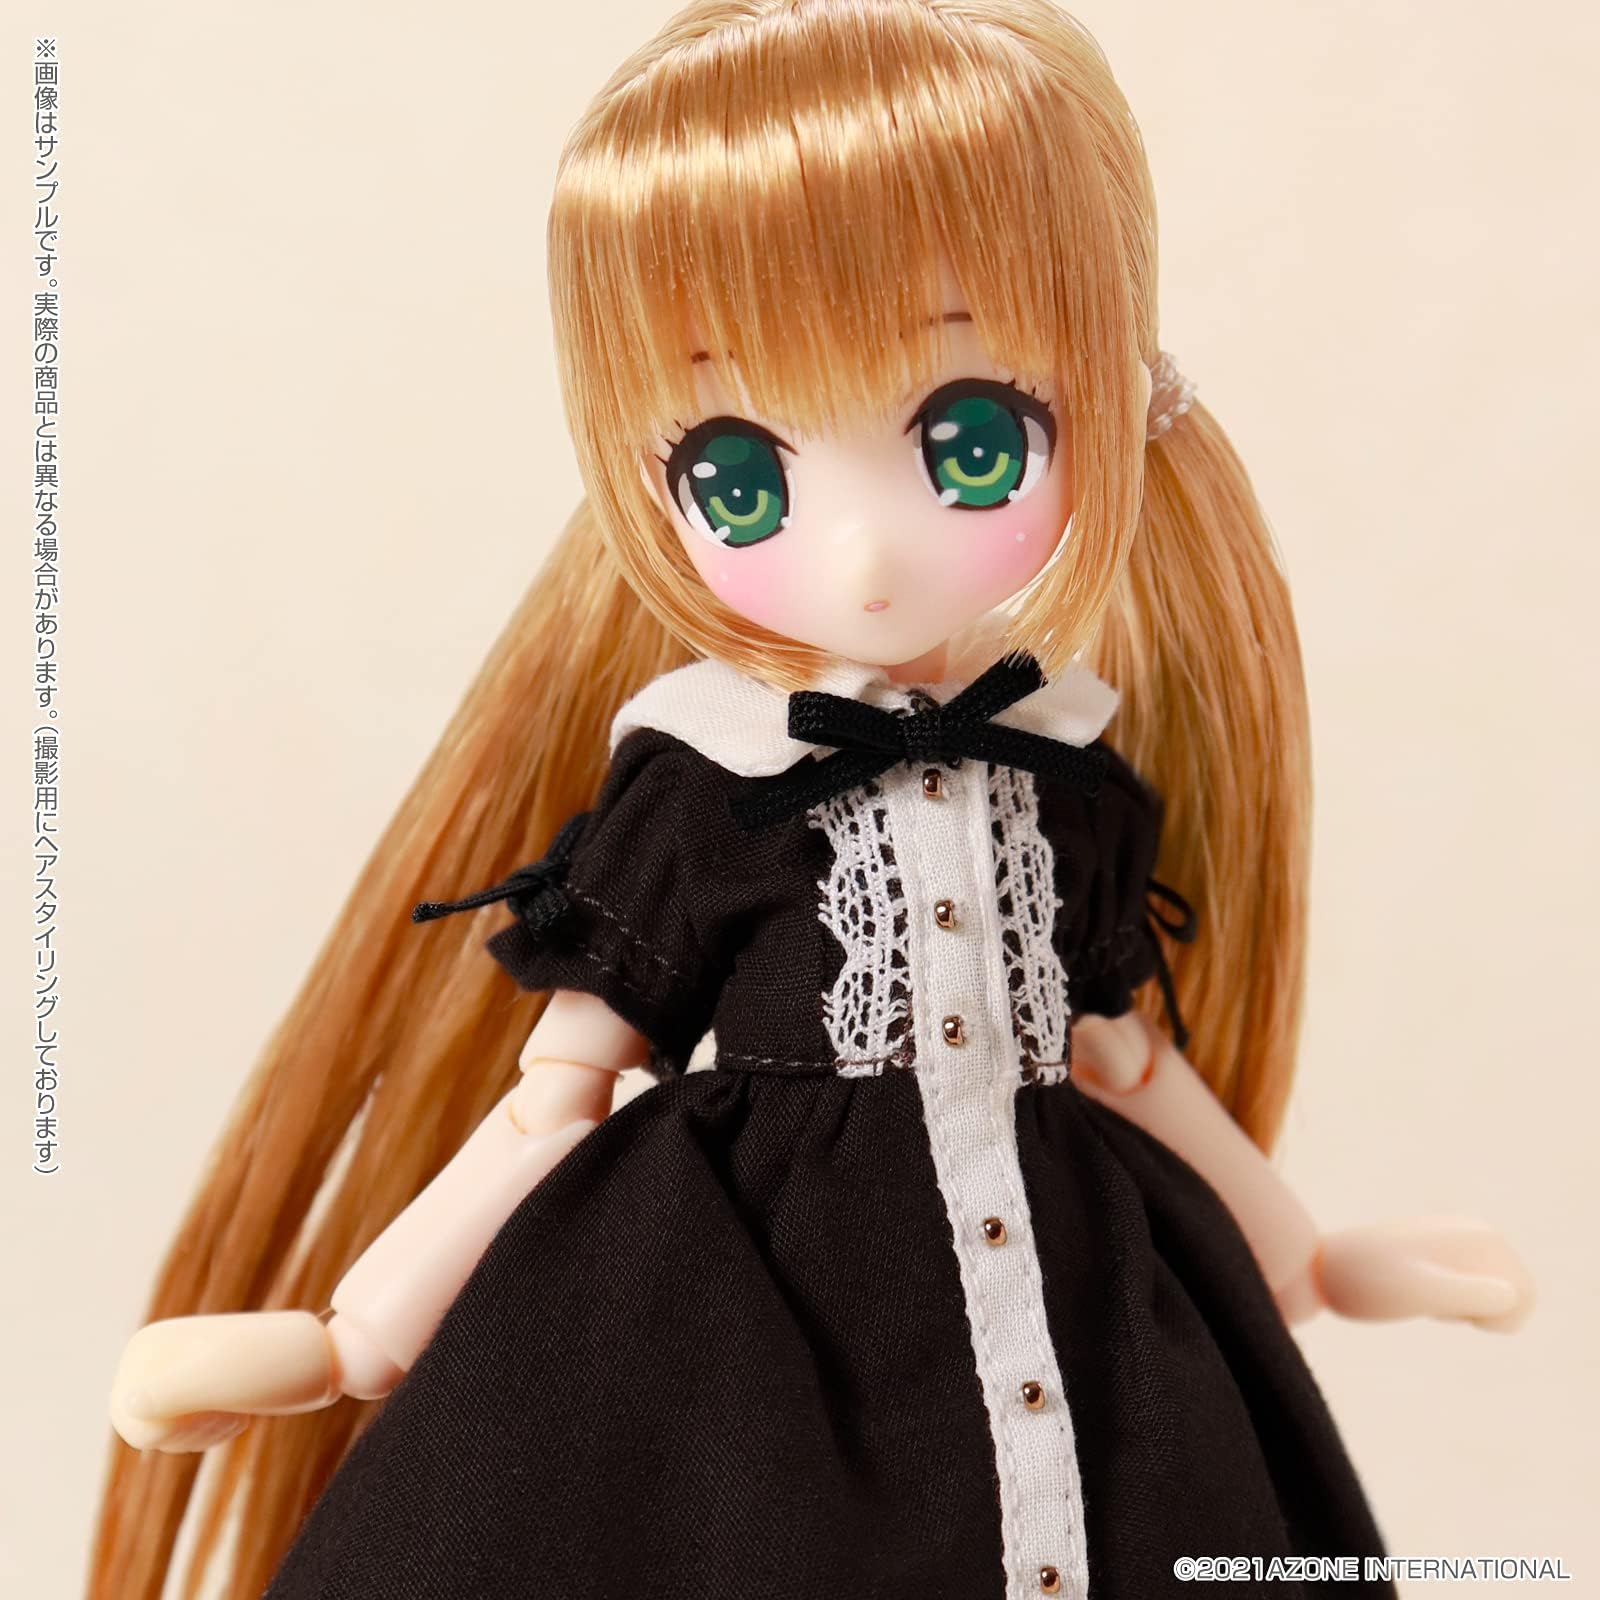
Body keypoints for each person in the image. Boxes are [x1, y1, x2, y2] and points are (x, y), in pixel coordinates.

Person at [92, 3, 1533, 1596]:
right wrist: (350, 1337)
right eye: (742, 480)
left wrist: (1312, 1259)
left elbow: (1124, 1060)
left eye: (969, 441)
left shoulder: (1066, 774)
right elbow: (555, 1097)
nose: (862, 555)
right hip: (750, 1357)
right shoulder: (706, 782)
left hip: (1084, 1303)